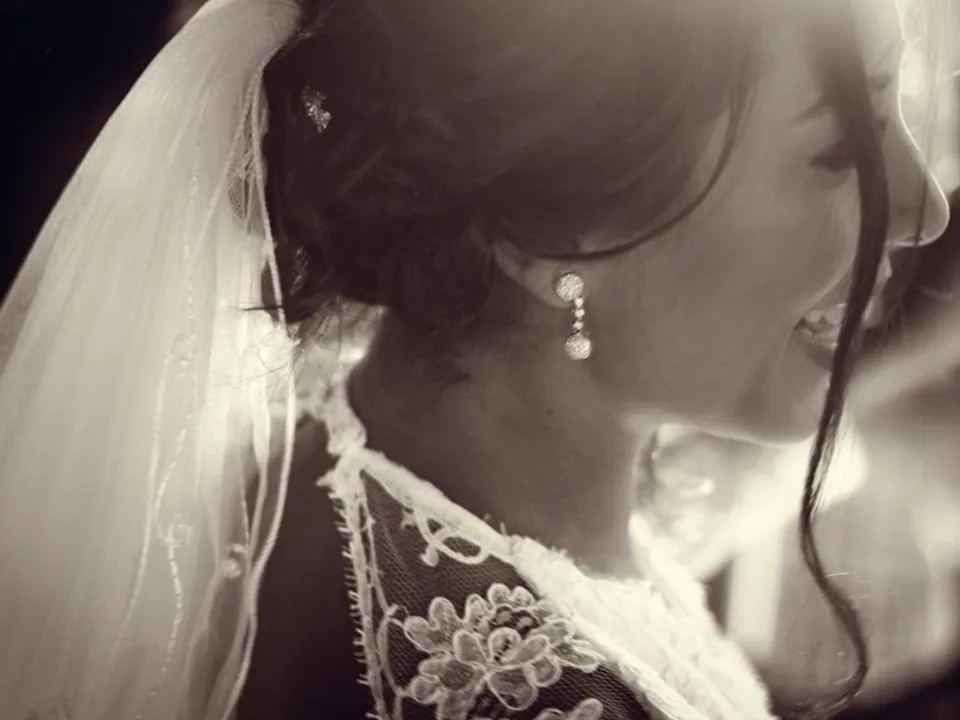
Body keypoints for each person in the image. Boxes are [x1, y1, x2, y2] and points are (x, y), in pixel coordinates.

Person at [0, 1, 952, 720]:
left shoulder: (337, 439)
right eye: (841, 150)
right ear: (555, 234)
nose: (926, 209)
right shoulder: (536, 690)